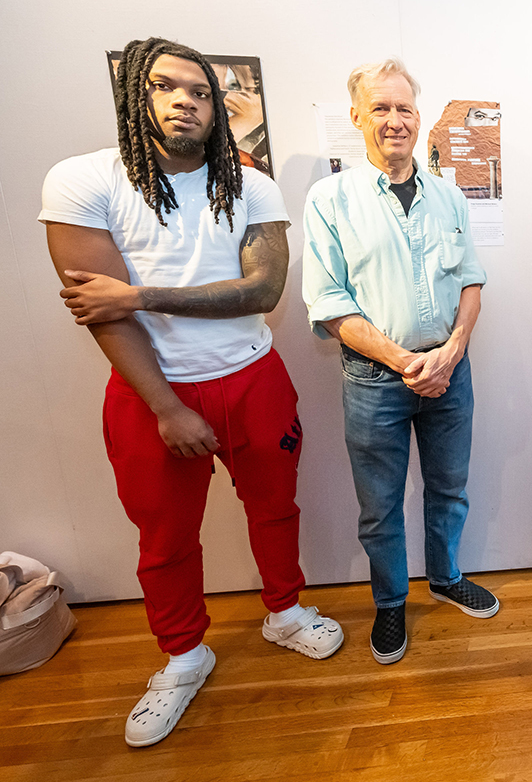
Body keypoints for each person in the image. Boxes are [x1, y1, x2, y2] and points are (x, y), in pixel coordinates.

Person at [40, 37, 343, 748]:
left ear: (217, 104)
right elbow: (98, 312)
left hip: (252, 377)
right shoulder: (82, 181)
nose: (185, 101)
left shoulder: (249, 183)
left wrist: (139, 293)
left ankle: (285, 612)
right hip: (151, 391)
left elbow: (262, 291)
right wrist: (169, 407)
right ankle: (183, 655)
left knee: (275, 508)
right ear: (134, 95)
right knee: (165, 536)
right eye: (165, 87)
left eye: (201, 91)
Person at [302, 58, 495, 667]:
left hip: (451, 371)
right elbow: (329, 302)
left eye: (404, 108)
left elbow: (470, 282)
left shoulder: (448, 196)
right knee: (379, 504)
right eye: (380, 108)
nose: (394, 120)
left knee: (450, 488)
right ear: (356, 116)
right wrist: (406, 361)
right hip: (375, 379)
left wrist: (453, 349)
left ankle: (444, 576)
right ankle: (390, 603)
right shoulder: (330, 198)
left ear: (421, 116)